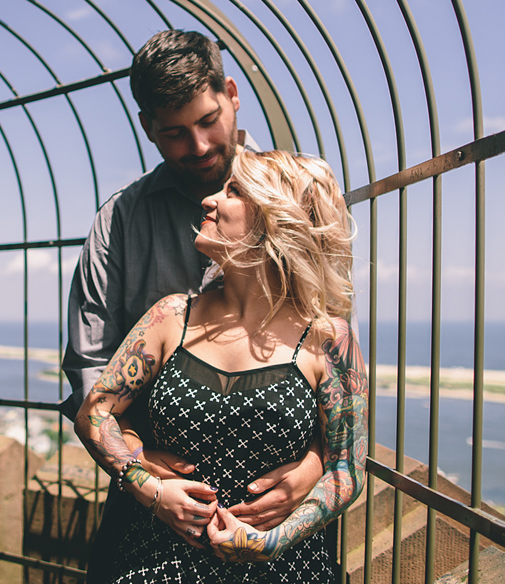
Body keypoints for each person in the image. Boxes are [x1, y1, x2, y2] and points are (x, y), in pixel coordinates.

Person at [62, 31, 324, 537]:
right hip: (151, 512)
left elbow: (328, 345)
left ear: (231, 93)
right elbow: (88, 369)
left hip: (277, 515)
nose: (200, 146)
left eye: (208, 121)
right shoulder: (120, 222)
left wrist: (313, 466)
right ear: (148, 128)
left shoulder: (293, 196)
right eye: (176, 133)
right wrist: (136, 461)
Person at [75, 150, 369, 584]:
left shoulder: (329, 339)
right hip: (157, 563)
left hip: (284, 570)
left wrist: (272, 541)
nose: (209, 200)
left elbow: (348, 467)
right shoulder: (171, 317)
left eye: (233, 191)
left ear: (274, 219)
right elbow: (95, 413)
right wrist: (153, 492)